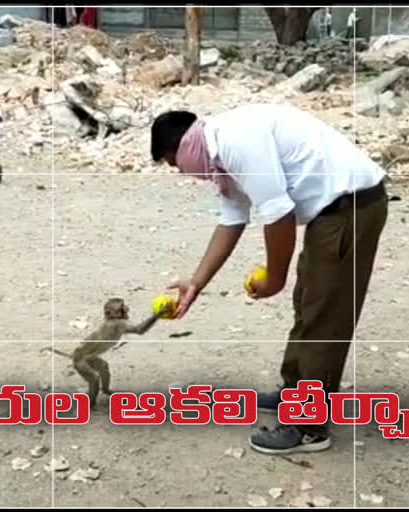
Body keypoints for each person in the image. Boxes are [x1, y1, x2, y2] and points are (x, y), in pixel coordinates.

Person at [150, 104, 388, 455]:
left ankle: (309, 428)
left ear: (182, 146)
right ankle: (294, 392)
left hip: (350, 207)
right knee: (309, 304)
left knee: (325, 317)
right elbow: (232, 220)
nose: (185, 174)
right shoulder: (219, 152)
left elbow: (278, 213)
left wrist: (275, 277)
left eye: (175, 164)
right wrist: (196, 283)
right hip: (331, 212)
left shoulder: (233, 141)